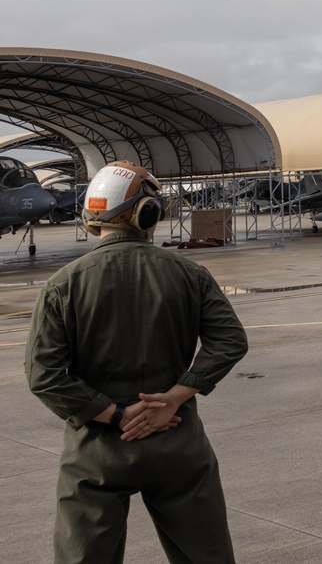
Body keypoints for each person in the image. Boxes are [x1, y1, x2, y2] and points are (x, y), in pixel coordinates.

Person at [25, 161, 248, 564]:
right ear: (147, 213)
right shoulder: (190, 274)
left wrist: (115, 415)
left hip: (97, 452)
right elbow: (230, 341)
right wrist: (174, 398)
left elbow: (44, 376)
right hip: (177, 441)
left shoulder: (64, 283)